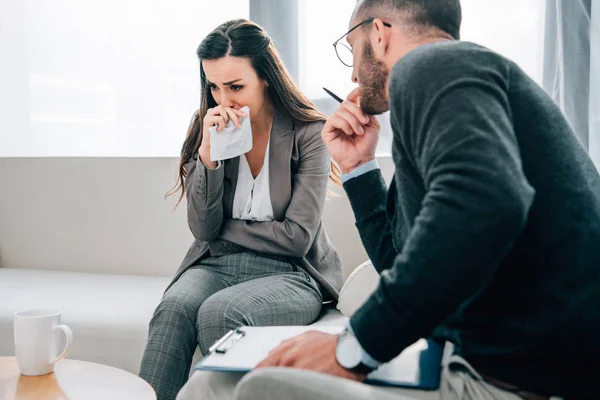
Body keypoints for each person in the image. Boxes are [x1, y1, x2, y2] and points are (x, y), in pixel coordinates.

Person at [193, 0, 600, 399]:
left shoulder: (431, 65)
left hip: (509, 379)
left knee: (257, 386)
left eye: (350, 50)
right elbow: (398, 263)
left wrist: (354, 346)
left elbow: (487, 204)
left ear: (380, 34)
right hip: (483, 360)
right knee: (213, 381)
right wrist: (358, 168)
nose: (352, 74)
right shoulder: (457, 99)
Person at [138, 19, 345, 400]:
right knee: (173, 310)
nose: (223, 99)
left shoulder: (309, 133)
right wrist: (208, 159)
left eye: (235, 87)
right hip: (217, 263)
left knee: (220, 313)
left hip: (290, 273)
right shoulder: (209, 128)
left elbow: (296, 239)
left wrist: (225, 228)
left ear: (266, 77)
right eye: (213, 86)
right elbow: (203, 228)